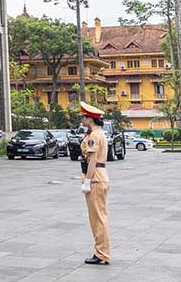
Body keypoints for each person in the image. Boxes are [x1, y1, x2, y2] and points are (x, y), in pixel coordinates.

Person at [79, 101, 110, 265]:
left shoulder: (94, 136)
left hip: (95, 176)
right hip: (99, 175)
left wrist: (87, 181)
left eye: (83, 117)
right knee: (99, 217)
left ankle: (101, 253)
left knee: (97, 218)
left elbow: (92, 161)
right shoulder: (97, 133)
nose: (82, 120)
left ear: (89, 119)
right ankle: (102, 252)